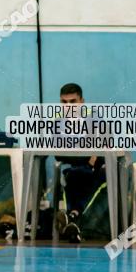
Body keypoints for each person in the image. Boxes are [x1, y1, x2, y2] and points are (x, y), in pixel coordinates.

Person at [55, 83, 106, 243]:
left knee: (87, 175)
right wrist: (86, 157)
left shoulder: (94, 118)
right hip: (75, 169)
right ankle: (73, 218)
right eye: (64, 103)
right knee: (74, 175)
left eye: (73, 102)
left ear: (82, 101)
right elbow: (58, 154)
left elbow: (104, 146)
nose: (68, 107)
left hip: (95, 170)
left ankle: (71, 218)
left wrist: (90, 159)